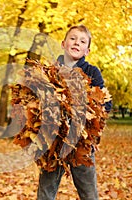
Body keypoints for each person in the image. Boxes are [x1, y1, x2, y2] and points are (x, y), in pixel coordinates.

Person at [37, 25, 112, 200]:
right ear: (63, 44)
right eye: (73, 38)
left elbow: (105, 103)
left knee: (88, 192)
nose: (77, 42)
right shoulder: (50, 71)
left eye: (82, 41)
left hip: (81, 142)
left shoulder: (92, 72)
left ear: (87, 50)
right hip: (53, 142)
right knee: (45, 192)